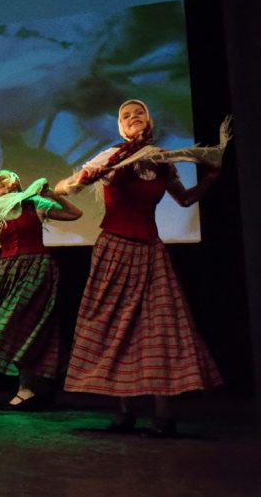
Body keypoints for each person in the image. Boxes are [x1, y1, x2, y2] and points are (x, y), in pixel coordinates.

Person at [55, 99, 224, 436]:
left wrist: (211, 177)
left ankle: (164, 416)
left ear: (149, 121)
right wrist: (86, 177)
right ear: (120, 126)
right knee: (115, 327)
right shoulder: (111, 157)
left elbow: (184, 199)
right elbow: (63, 188)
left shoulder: (161, 161)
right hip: (115, 249)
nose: (133, 117)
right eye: (125, 115)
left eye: (139, 113)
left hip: (151, 251)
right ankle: (125, 412)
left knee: (160, 329)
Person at [0, 169, 82, 408]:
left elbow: (75, 214)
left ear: (16, 181)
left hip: (36, 268)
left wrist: (51, 194)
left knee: (30, 328)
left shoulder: (34, 203)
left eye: (5, 177)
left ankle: (28, 388)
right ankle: (32, 387)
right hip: (7, 272)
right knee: (9, 330)